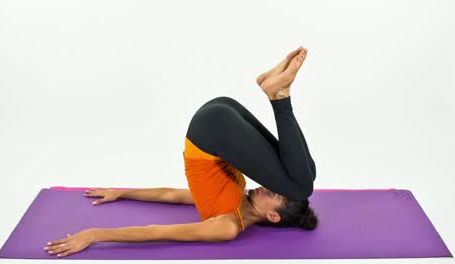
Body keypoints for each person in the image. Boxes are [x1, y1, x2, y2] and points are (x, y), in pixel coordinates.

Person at [43, 46, 317, 258]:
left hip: (215, 126)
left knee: (303, 184)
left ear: (272, 216)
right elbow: (171, 195)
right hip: (222, 114)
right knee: (306, 178)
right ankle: (276, 91)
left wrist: (94, 234)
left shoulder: (227, 226)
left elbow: (158, 232)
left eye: (273, 193)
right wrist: (122, 192)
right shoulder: (237, 198)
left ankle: (279, 95)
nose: (269, 185)